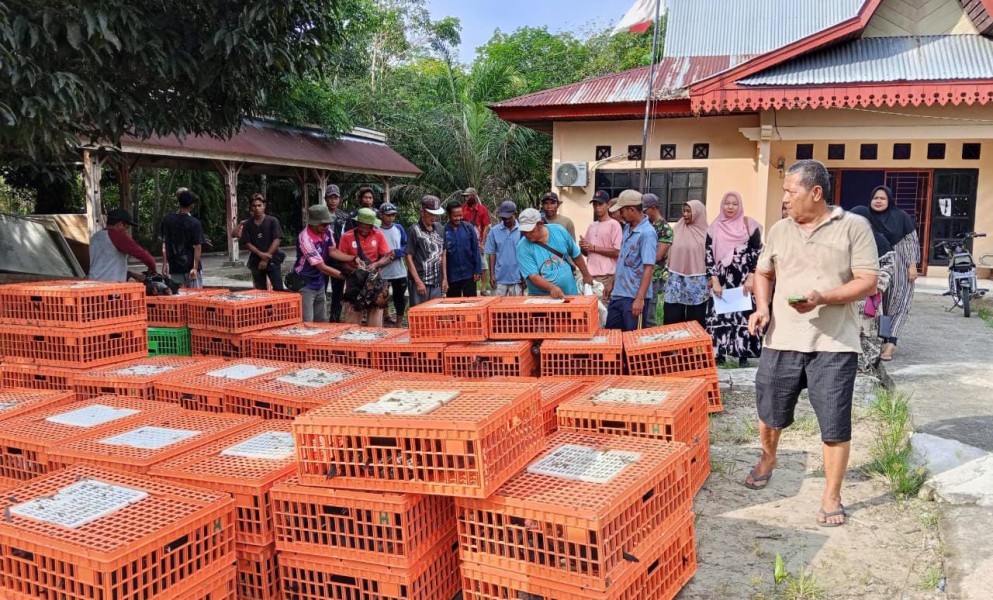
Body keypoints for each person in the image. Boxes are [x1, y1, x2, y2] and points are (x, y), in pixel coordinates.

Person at [745, 159, 878, 528]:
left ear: (816, 192)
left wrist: (824, 297)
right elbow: (763, 271)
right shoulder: (780, 229)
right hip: (782, 339)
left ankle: (831, 494)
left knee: (835, 424)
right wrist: (762, 307)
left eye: (791, 191)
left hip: (834, 344)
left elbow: (868, 280)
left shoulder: (854, 227)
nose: (785, 198)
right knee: (769, 410)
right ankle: (769, 457)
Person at [857, 185, 919, 361]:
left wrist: (912, 265)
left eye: (882, 198)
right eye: (875, 198)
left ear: (889, 200)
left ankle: (891, 344)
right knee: (880, 305)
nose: (878, 201)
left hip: (901, 265)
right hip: (879, 266)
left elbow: (912, 242)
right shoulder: (866, 217)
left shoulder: (901, 217)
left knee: (900, 305)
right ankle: (881, 339)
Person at [705, 191, 763, 367]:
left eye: (734, 204)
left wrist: (752, 276)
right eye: (727, 203)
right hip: (722, 279)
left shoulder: (749, 226)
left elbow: (758, 252)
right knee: (719, 314)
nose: (730, 207)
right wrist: (714, 279)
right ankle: (719, 353)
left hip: (744, 278)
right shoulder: (714, 228)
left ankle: (742, 354)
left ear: (740, 206)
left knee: (743, 314)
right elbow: (708, 254)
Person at [292, 205, 358, 322]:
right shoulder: (305, 239)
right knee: (307, 321)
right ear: (313, 223)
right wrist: (347, 276)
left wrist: (353, 258)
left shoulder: (327, 231)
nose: (326, 226)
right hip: (304, 282)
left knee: (321, 320)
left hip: (319, 280)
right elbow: (321, 267)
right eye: (323, 224)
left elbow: (333, 251)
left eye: (327, 223)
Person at [851, 205, 897, 371]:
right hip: (848, 295)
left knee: (867, 331)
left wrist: (870, 285)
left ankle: (866, 365)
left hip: (869, 297)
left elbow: (887, 270)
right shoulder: (847, 242)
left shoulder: (880, 244)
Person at [604, 190, 658, 331]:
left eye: (621, 211)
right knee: (613, 337)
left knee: (632, 342)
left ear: (632, 210)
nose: (620, 215)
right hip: (618, 294)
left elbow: (649, 268)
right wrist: (613, 281)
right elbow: (623, 259)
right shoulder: (627, 228)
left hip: (634, 297)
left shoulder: (647, 233)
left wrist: (639, 299)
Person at [516, 208, 592, 298]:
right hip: (541, 300)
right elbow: (533, 277)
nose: (527, 234)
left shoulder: (559, 231)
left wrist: (586, 275)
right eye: (524, 231)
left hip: (570, 295)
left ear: (540, 224)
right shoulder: (522, 247)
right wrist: (551, 288)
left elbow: (575, 254)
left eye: (530, 230)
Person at [339, 208, 393, 326]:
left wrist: (376, 264)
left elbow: (387, 256)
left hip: (374, 280)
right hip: (354, 281)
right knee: (352, 318)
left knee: (375, 315)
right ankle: (352, 341)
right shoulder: (347, 237)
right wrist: (356, 271)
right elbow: (341, 259)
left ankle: (374, 341)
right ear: (357, 223)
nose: (365, 229)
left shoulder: (378, 235)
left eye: (368, 226)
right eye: (362, 225)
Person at [664, 200, 710, 327]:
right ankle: (672, 346)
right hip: (676, 280)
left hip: (697, 280)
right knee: (672, 317)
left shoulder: (707, 234)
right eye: (684, 211)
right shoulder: (678, 228)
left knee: (695, 320)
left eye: (689, 211)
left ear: (698, 213)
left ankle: (693, 347)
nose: (685, 214)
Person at [89, 208, 157, 282]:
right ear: (120, 225)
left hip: (94, 283)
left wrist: (132, 274)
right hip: (111, 287)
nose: (126, 231)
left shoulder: (95, 237)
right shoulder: (117, 236)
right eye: (126, 227)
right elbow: (142, 255)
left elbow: (105, 267)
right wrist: (153, 268)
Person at [238, 193, 285, 291]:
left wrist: (265, 258)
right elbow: (246, 242)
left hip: (272, 258)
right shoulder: (247, 224)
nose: (257, 208)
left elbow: (277, 240)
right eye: (254, 206)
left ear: (264, 206)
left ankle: (280, 307)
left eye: (259, 205)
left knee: (278, 289)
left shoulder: (272, 221)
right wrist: (260, 254)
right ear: (251, 207)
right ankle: (265, 307)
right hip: (256, 260)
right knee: (260, 291)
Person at [406, 196, 448, 306]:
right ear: (422, 212)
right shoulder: (414, 230)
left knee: (434, 314)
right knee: (418, 315)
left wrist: (444, 278)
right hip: (420, 281)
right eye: (431, 214)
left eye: (435, 214)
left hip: (436, 281)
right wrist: (418, 281)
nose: (433, 218)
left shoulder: (440, 229)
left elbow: (443, 254)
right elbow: (408, 257)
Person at [579, 189, 621, 295]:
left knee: (603, 309)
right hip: (590, 276)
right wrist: (583, 247)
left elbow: (617, 251)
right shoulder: (592, 225)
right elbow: (586, 252)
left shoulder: (614, 225)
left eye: (600, 204)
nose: (597, 207)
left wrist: (593, 247)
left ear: (608, 205)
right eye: (595, 205)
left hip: (606, 277)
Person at [160, 188, 204, 288]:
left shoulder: (167, 220)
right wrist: (195, 267)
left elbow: (164, 244)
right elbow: (197, 246)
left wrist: (165, 263)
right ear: (192, 205)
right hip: (190, 265)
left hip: (175, 265)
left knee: (179, 295)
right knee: (195, 298)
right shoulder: (195, 223)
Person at [642, 193, 673, 327]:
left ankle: (650, 346)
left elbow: (658, 256)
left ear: (654, 208)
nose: (642, 213)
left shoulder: (664, 229)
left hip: (653, 276)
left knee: (649, 315)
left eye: (645, 210)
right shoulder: (644, 224)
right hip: (640, 275)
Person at [485, 200, 524, 296]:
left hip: (517, 278)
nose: (506, 220)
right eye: (503, 217)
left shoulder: (523, 230)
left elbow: (526, 255)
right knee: (497, 309)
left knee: (516, 310)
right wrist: (492, 275)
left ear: (515, 214)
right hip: (499, 279)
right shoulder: (494, 231)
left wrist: (524, 276)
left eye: (509, 217)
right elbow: (492, 254)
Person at [444, 201, 483, 297]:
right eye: (455, 216)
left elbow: (475, 249)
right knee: (454, 305)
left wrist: (478, 269)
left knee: (471, 303)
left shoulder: (468, 228)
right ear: (448, 215)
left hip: (469, 274)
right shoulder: (444, 230)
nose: (458, 218)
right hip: (452, 275)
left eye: (460, 215)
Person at [378, 203, 408, 325]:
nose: (391, 217)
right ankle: (383, 318)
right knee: (381, 297)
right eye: (388, 215)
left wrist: (397, 252)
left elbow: (406, 245)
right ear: (381, 215)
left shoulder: (398, 228)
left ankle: (399, 323)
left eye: (393, 215)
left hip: (398, 270)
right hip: (382, 270)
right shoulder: (376, 229)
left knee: (399, 298)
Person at [325, 184, 350, 322]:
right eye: (330, 198)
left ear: (339, 199)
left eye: (335, 198)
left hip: (338, 256)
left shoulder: (344, 217)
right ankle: (320, 317)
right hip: (322, 256)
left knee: (338, 289)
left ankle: (335, 318)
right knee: (320, 287)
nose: (333, 201)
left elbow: (348, 236)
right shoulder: (320, 214)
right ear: (326, 199)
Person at [461, 188, 492, 295]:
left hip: (478, 239)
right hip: (465, 241)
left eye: (468, 196)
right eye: (465, 196)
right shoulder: (462, 209)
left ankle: (483, 287)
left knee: (483, 264)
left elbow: (486, 226)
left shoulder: (482, 209)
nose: (466, 198)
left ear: (473, 196)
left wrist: (483, 242)